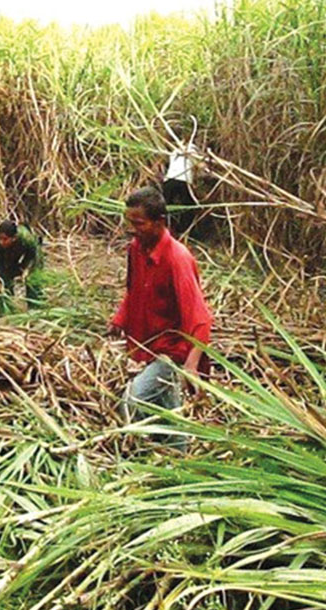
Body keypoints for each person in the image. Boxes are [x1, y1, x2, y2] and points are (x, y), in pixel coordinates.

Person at [110, 187, 212, 423]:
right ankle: (178, 453)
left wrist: (191, 364)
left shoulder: (178, 259)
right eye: (130, 222)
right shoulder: (136, 249)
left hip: (172, 350)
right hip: (151, 344)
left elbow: (201, 318)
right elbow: (135, 290)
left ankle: (135, 449)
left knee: (132, 401)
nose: (133, 230)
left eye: (139, 224)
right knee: (167, 409)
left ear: (160, 222)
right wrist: (120, 319)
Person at [0, 220, 44, 316]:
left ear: (14, 238)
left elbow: (33, 256)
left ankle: (35, 309)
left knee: (33, 279)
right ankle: (5, 310)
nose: (1, 242)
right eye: (0, 238)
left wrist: (27, 270)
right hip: (5, 257)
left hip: (30, 254)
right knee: (3, 280)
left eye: (5, 239)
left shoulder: (26, 238)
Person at [161, 140, 201, 235]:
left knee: (165, 205)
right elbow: (200, 165)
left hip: (169, 180)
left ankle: (164, 228)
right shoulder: (192, 150)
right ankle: (186, 230)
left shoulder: (174, 151)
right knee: (189, 206)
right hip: (183, 180)